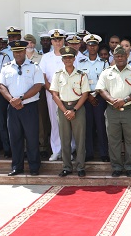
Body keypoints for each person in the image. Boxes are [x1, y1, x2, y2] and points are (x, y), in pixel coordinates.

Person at [0, 40, 44, 176]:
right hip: (13, 106)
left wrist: (21, 98)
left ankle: (34, 167)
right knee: (15, 138)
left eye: (20, 51)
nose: (18, 54)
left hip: (29, 106)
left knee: (32, 137)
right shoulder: (6, 67)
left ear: (24, 51)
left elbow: (38, 86)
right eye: (15, 51)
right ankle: (17, 167)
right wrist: (12, 100)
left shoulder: (34, 67)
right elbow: (1, 86)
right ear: (12, 52)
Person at [96, 46, 131, 177]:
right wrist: (112, 100)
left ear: (127, 56)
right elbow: (101, 89)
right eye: (117, 56)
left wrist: (125, 100)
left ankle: (130, 167)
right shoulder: (106, 72)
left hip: (129, 109)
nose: (120, 58)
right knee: (113, 140)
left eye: (122, 56)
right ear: (114, 57)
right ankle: (116, 167)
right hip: (112, 110)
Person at [50, 47, 89, 177]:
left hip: (77, 107)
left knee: (80, 139)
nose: (68, 60)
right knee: (64, 139)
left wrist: (74, 110)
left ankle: (80, 167)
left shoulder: (81, 74)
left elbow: (85, 94)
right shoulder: (57, 74)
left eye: (70, 57)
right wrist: (65, 110)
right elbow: (54, 94)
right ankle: (66, 167)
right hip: (63, 108)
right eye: (65, 58)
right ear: (62, 60)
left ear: (74, 59)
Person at [76, 33, 110, 162]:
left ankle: (103, 153)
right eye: (90, 45)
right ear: (87, 46)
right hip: (85, 97)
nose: (92, 47)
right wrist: (88, 96)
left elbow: (106, 81)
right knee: (87, 125)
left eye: (94, 45)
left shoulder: (104, 63)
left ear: (97, 46)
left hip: (100, 97)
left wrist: (96, 94)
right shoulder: (80, 63)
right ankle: (89, 152)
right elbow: (78, 81)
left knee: (101, 125)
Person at [38, 29, 66, 161]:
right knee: (54, 122)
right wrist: (53, 92)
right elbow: (43, 77)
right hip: (51, 94)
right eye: (55, 40)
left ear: (63, 40)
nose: (57, 42)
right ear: (51, 41)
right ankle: (56, 149)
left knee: (68, 122)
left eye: (60, 39)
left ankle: (68, 149)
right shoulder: (46, 57)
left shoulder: (70, 54)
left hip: (68, 94)